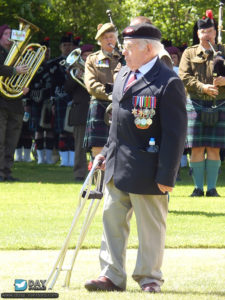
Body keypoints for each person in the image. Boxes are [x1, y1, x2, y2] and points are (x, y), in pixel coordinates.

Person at [84, 23, 187, 293]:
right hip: (118, 166)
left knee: (150, 227)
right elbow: (116, 125)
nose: (123, 52)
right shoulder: (122, 76)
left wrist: (167, 175)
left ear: (149, 49)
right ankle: (111, 275)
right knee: (111, 221)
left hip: (150, 170)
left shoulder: (169, 82)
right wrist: (105, 154)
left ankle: (149, 276)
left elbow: (175, 135)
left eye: (128, 48)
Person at [179, 16, 225, 197]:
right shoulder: (189, 53)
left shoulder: (223, 51)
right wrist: (203, 87)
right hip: (196, 103)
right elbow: (184, 76)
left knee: (214, 148)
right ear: (198, 33)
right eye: (203, 31)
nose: (207, 35)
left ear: (216, 32)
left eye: (210, 31)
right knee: (196, 147)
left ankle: (212, 189)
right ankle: (198, 187)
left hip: (219, 103)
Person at [84, 23, 121, 159]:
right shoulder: (92, 59)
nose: (109, 40)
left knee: (121, 146)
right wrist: (110, 95)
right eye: (105, 37)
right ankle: (99, 179)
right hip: (100, 105)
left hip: (121, 105)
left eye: (111, 36)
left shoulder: (125, 57)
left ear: (116, 38)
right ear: (99, 40)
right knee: (98, 147)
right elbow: (91, 84)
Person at [0, 24, 29, 181]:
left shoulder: (19, 54)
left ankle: (7, 172)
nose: (9, 37)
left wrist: (24, 85)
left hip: (15, 103)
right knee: (0, 140)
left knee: (12, 140)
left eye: (11, 34)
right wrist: (14, 71)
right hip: (1, 102)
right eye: (6, 34)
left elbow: (27, 72)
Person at [64, 44, 94, 181]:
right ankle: (79, 173)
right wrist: (77, 76)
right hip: (81, 111)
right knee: (80, 145)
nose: (87, 58)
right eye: (85, 55)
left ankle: (97, 173)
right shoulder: (73, 71)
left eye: (89, 55)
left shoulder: (97, 68)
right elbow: (67, 89)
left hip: (95, 109)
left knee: (98, 144)